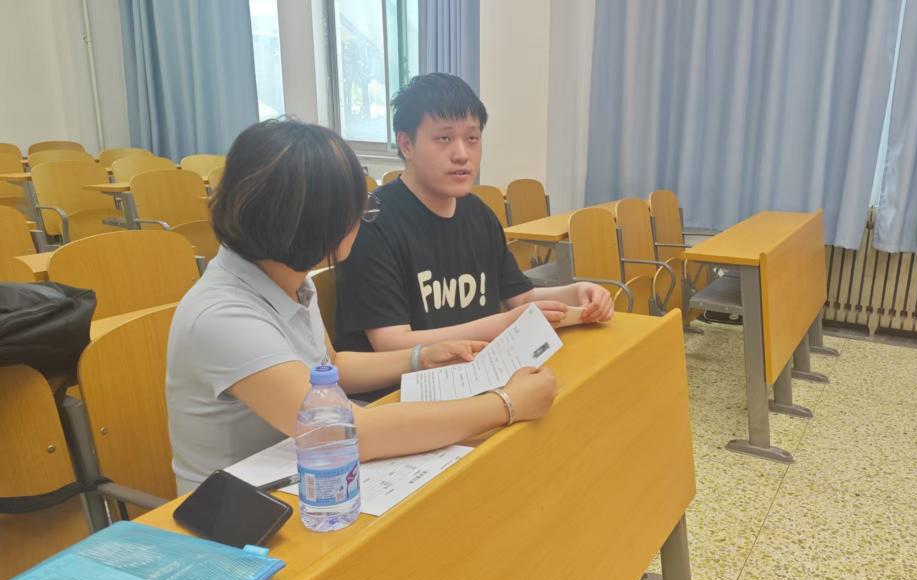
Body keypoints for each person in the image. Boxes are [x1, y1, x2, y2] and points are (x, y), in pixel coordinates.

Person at [166, 118, 556, 494]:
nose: (361, 220)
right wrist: (506, 404)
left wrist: (420, 357)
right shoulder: (224, 316)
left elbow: (329, 367)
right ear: (311, 224)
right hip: (241, 509)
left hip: (304, 474)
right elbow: (347, 432)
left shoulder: (288, 276)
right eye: (356, 210)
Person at [334, 73, 614, 368]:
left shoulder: (478, 214)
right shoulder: (373, 224)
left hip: (479, 371)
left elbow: (521, 298)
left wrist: (576, 294)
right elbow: (391, 343)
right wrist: (504, 324)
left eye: (472, 138)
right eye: (444, 138)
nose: (462, 154)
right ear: (406, 144)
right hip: (408, 386)